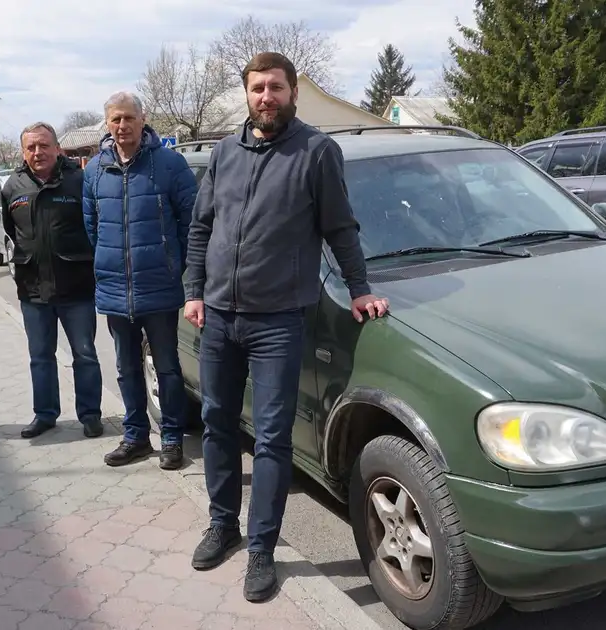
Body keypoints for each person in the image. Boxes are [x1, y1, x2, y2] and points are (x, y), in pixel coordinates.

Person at [182, 52, 390, 602]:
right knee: (218, 423)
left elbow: (341, 227)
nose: (266, 96)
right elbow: (202, 227)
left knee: (272, 439)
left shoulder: (317, 152)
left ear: (292, 92)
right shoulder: (226, 152)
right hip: (220, 317)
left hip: (277, 321)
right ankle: (222, 525)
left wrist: (360, 287)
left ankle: (260, 550)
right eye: (257, 88)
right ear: (246, 94)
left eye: (276, 87)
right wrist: (193, 291)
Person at [82, 91, 197, 471]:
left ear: (142, 118)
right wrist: (111, 263)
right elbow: (92, 226)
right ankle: (135, 437)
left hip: (159, 287)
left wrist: (171, 262)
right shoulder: (95, 169)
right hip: (115, 289)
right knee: (126, 367)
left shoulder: (168, 164)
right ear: (108, 123)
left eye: (129, 118)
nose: (122, 126)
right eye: (115, 119)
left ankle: (171, 438)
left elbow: (191, 222)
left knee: (166, 368)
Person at [1, 122, 105, 440]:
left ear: (57, 148)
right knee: (40, 357)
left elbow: (95, 227)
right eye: (31, 147)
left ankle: (90, 415)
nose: (38, 152)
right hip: (32, 290)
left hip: (76, 287)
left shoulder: (79, 181)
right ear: (23, 152)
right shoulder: (12, 186)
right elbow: (11, 229)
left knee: (85, 354)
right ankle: (45, 415)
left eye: (44, 145)